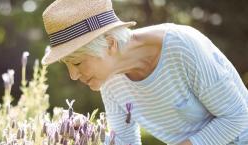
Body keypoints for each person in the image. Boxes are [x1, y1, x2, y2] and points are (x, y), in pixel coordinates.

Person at [41, 0, 248, 144]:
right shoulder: (110, 80)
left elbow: (237, 117)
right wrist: (89, 135)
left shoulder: (182, 47)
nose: (73, 75)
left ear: (110, 44)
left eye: (76, 63)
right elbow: (125, 142)